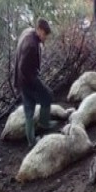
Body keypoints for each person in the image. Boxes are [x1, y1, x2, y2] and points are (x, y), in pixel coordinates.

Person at [14, 18, 60, 148]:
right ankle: (44, 124)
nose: (45, 38)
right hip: (28, 79)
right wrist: (34, 83)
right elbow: (24, 67)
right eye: (44, 34)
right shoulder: (31, 45)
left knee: (29, 108)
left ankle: (31, 140)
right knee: (47, 97)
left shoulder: (28, 33)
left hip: (21, 79)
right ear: (39, 30)